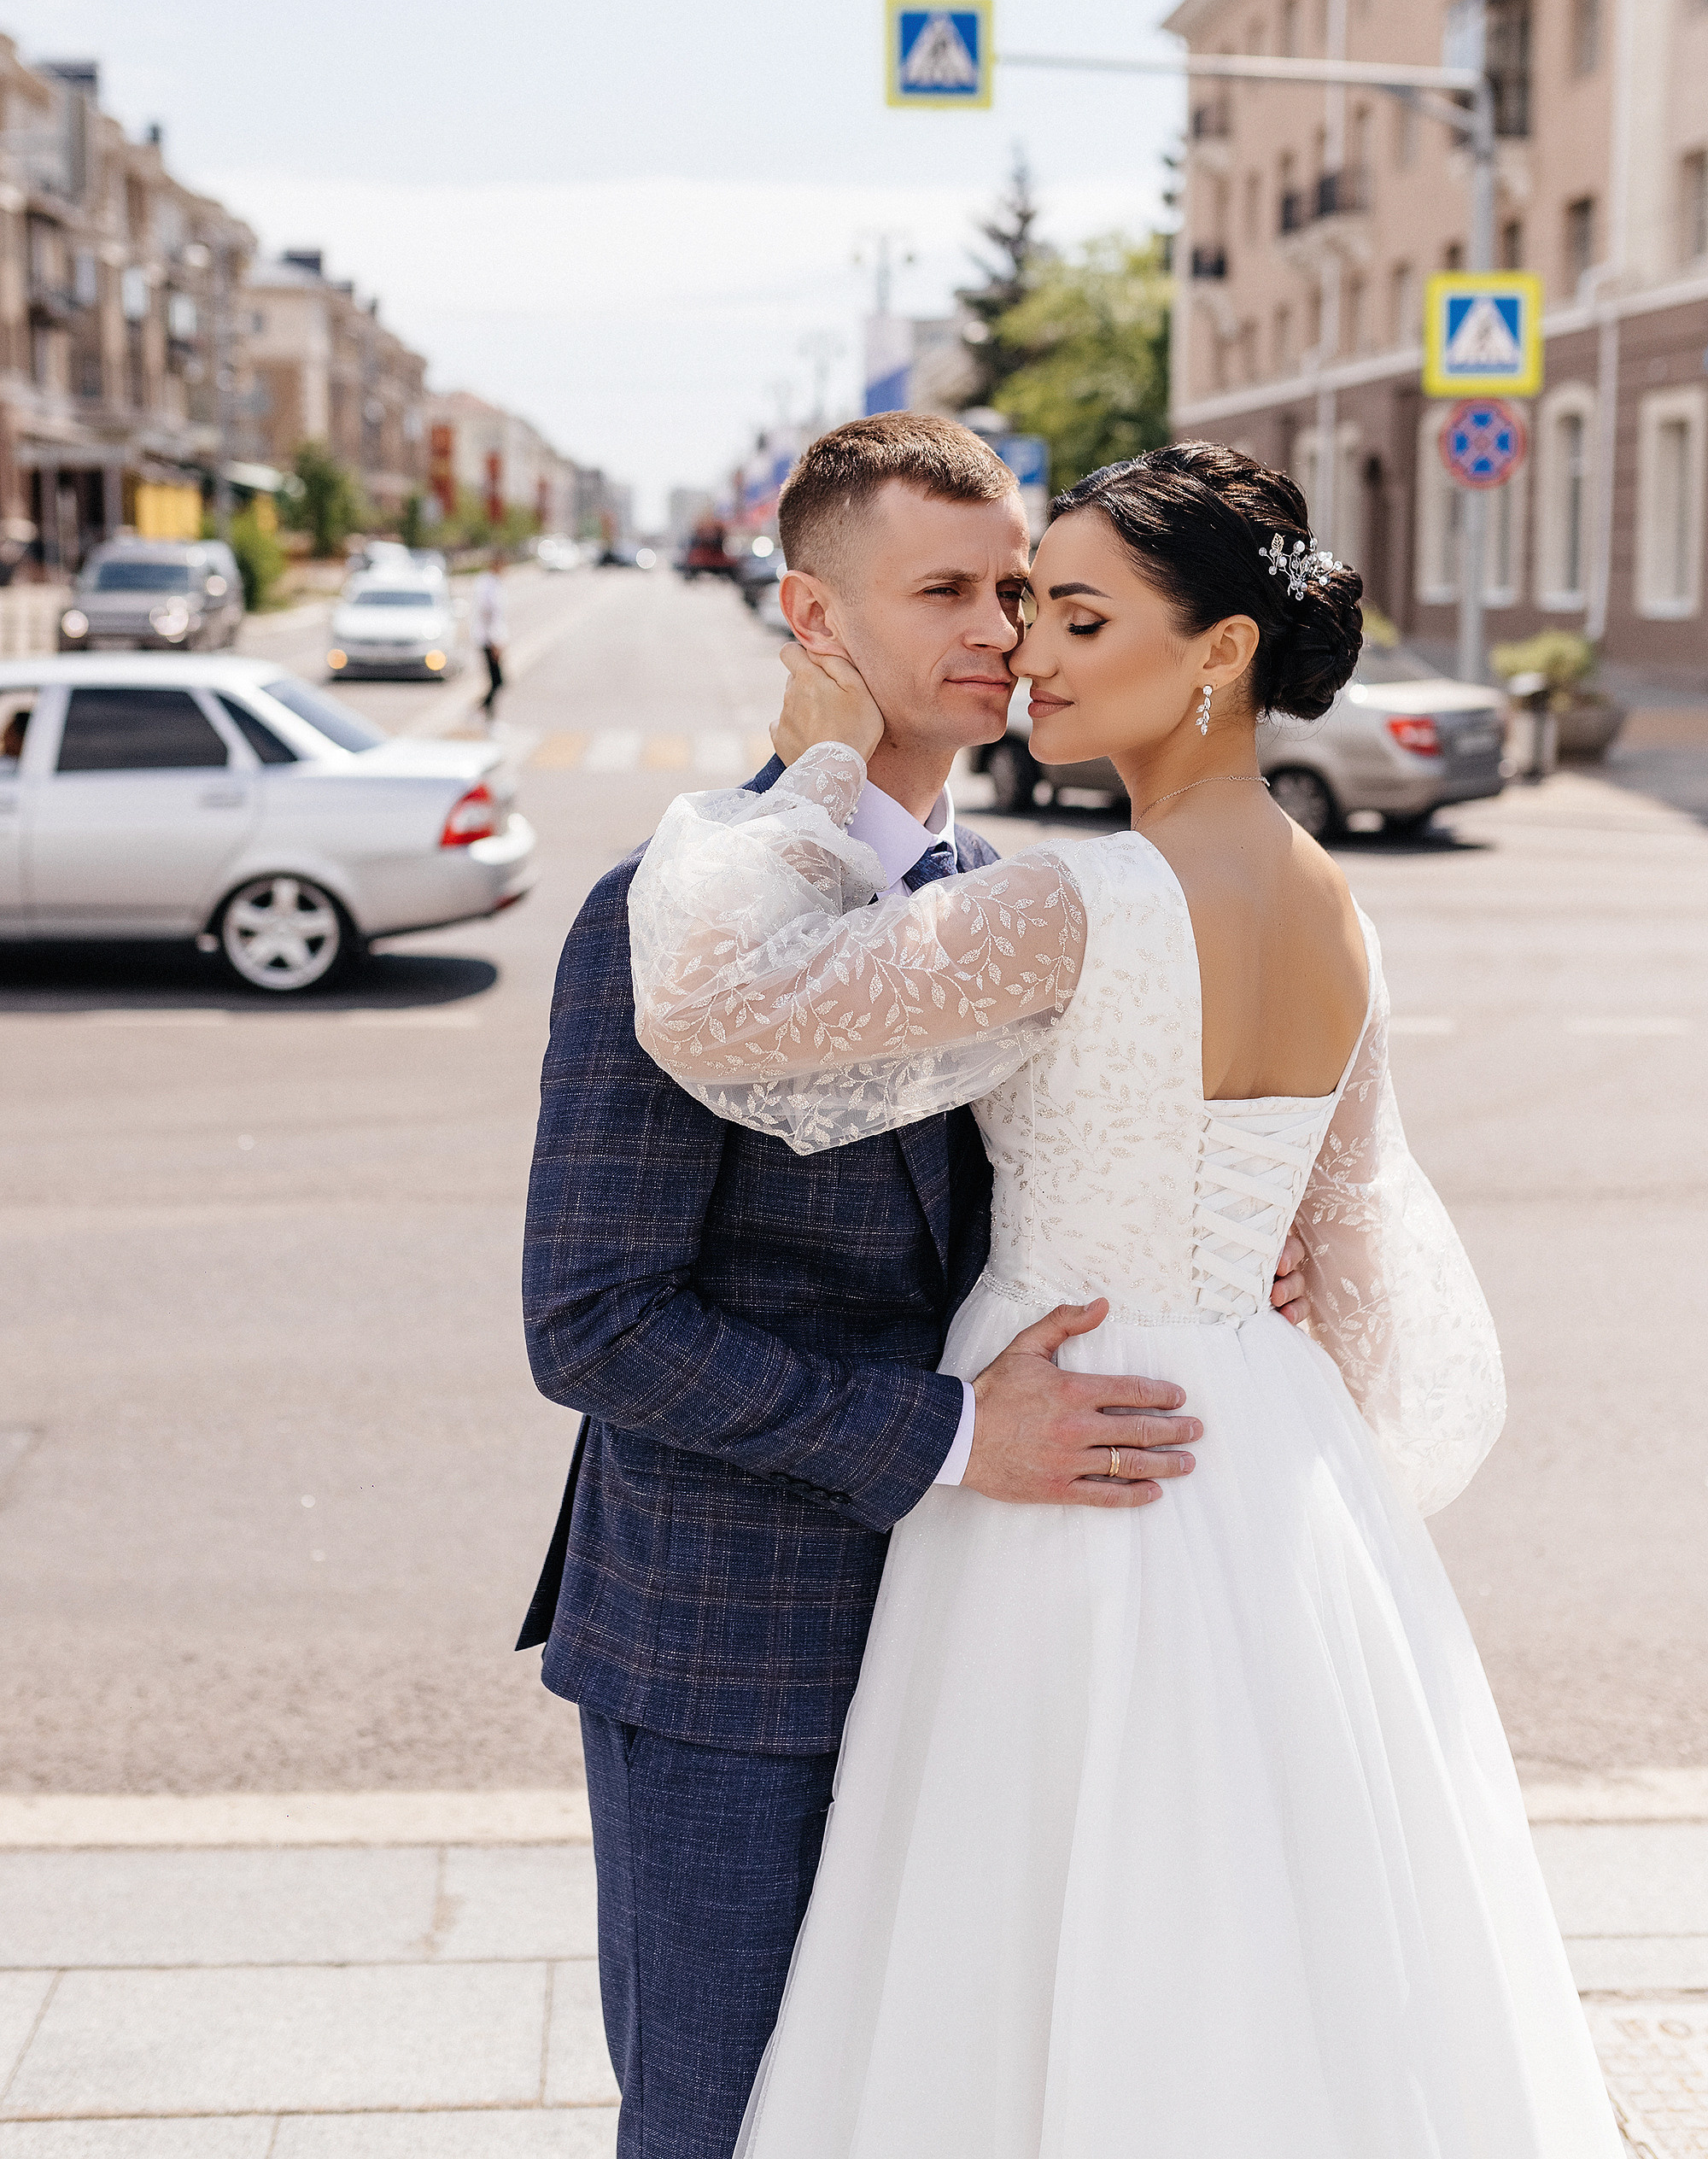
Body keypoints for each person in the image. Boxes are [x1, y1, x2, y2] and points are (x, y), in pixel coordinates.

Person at [627, 441, 1622, 2159]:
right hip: (1268, 1463)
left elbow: (717, 1006)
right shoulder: (1338, 915)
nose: (1032, 651)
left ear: (1216, 652)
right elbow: (1358, 1261)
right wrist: (1256, 1306)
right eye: (1023, 605)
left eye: (1077, 614)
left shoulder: (1076, 901)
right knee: (1278, 1952)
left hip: (1070, 1461)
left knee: (1031, 1951)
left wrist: (814, 773)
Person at [518, 415, 1312, 2159]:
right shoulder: (661, 919)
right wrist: (953, 1436)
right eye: (942, 587)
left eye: (1020, 588)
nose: (999, 628)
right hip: (731, 1652)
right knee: (724, 2127)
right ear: (813, 616)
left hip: (1003, 1633)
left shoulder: (1027, 905)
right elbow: (592, 1321)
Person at [472, 550, 508, 715]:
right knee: (497, 681)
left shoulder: (493, 583)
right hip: (488, 640)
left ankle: (483, 712)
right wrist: (494, 641)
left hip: (491, 639)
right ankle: (483, 713)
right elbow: (488, 614)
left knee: (497, 682)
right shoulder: (488, 585)